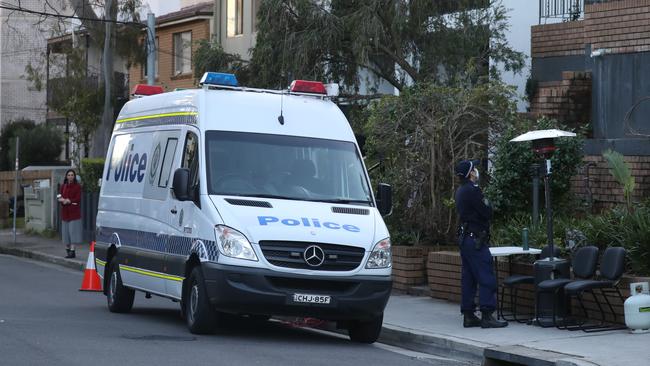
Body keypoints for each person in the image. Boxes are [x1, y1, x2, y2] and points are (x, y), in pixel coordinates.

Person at [454, 159, 507, 328]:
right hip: (475, 239)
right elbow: (486, 212)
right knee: (486, 276)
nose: (477, 172)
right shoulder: (473, 190)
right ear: (470, 173)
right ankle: (487, 314)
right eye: (475, 169)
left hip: (466, 239)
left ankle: (468, 315)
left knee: (468, 277)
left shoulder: (460, 190)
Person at [58, 169, 82, 259]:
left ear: (74, 176)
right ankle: (67, 250)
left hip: (74, 213)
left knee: (73, 232)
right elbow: (59, 196)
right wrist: (61, 199)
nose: (70, 176)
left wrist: (69, 200)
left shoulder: (77, 187)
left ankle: (72, 251)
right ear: (66, 176)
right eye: (69, 175)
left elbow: (78, 198)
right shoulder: (63, 186)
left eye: (72, 175)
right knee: (66, 233)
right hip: (65, 213)